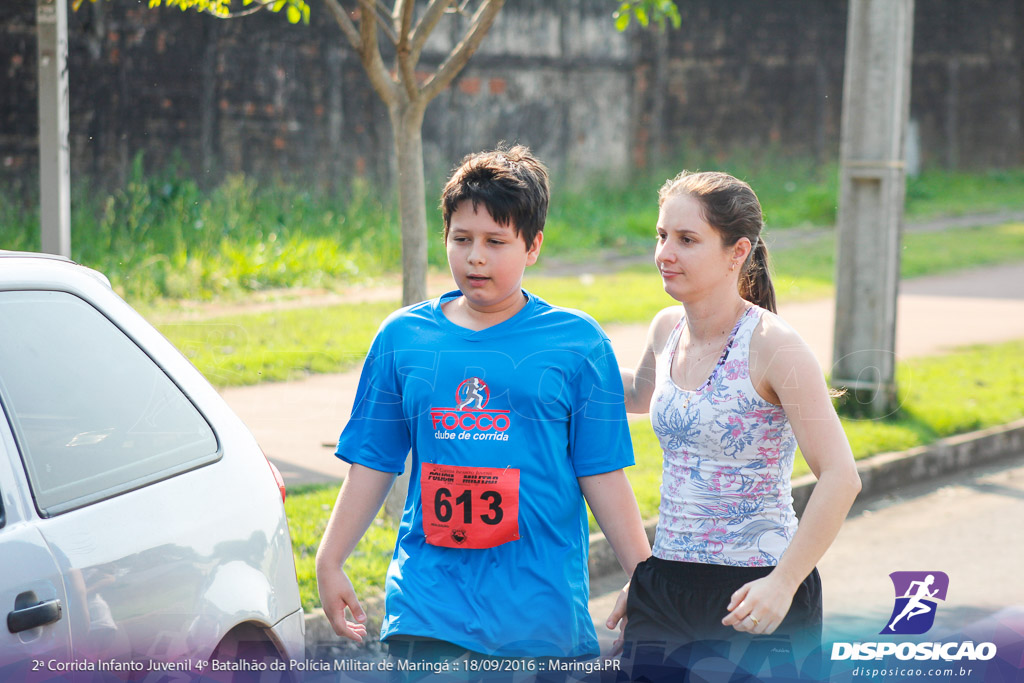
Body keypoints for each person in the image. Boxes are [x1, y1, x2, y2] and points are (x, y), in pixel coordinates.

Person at [316, 145, 651, 674]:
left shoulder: (577, 343)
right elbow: (373, 461)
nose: (475, 257)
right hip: (427, 611)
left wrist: (644, 576)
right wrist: (329, 559)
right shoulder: (403, 338)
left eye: (496, 242)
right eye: (461, 239)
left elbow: (602, 473)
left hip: (540, 618)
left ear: (533, 245)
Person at [615, 170, 862, 672]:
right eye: (662, 236)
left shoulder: (776, 347)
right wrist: (549, 356)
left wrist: (784, 584)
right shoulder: (667, 328)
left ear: (737, 252)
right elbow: (641, 394)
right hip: (664, 584)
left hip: (754, 590)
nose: (665, 253)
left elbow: (842, 476)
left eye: (687, 240)